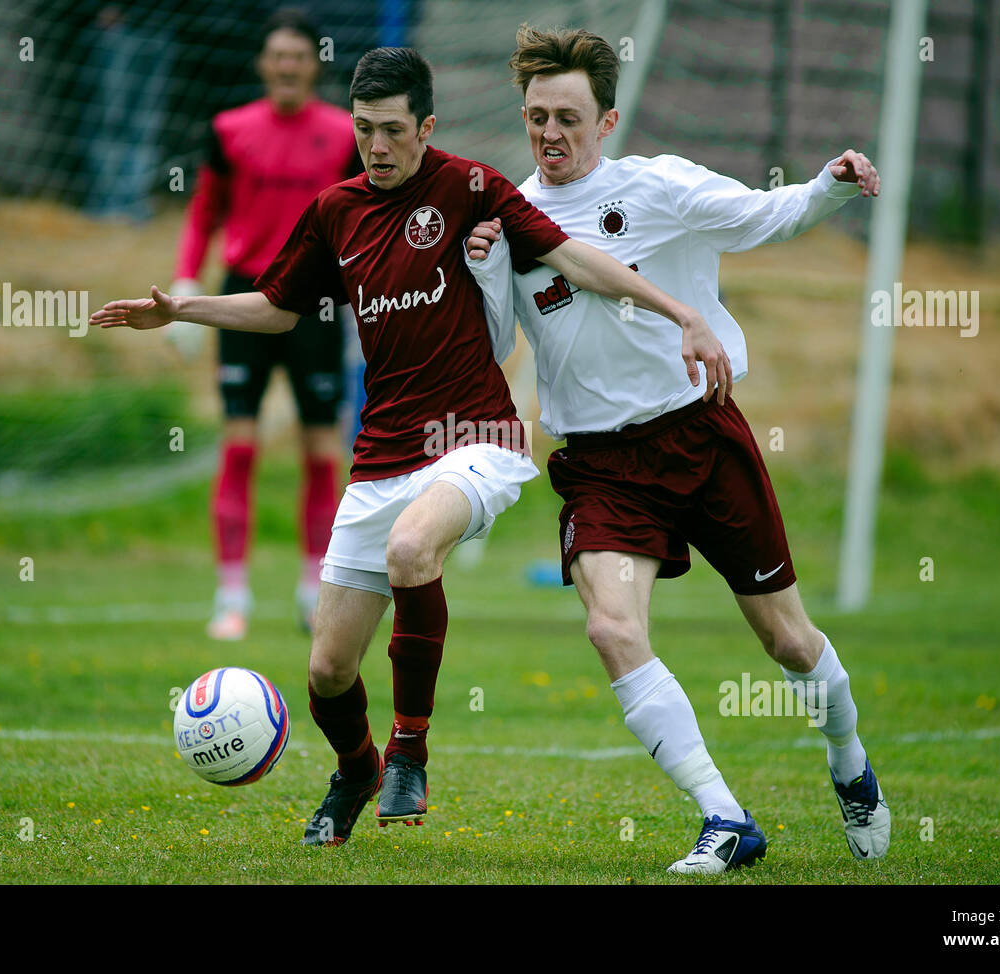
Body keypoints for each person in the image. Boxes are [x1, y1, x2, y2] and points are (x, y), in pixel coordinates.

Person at [91, 46, 729, 847]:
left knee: (410, 548)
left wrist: (678, 311)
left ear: (426, 127)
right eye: (364, 132)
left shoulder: (470, 188)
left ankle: (409, 751)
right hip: (382, 454)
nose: (378, 148)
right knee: (327, 673)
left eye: (393, 131)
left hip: (479, 440)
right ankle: (357, 769)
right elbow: (279, 307)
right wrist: (181, 313)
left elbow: (575, 258)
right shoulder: (336, 211)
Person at [463, 24, 889, 875]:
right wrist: (482, 272)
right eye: (536, 116)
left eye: (569, 119)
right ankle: (725, 820)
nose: (550, 134)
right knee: (612, 628)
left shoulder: (658, 187)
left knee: (790, 644)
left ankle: (850, 764)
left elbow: (763, 217)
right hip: (599, 464)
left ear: (608, 122)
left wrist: (830, 186)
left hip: (699, 436)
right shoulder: (509, 217)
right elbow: (500, 341)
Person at [169, 9, 361, 639]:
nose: (286, 66)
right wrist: (187, 283)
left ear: (314, 65)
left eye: (298, 56)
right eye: (276, 55)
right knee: (241, 443)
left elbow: (358, 222)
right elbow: (204, 213)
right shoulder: (229, 130)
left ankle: (315, 591)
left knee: (320, 449)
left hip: (316, 304)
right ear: (262, 64)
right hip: (244, 299)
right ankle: (232, 598)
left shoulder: (341, 135)